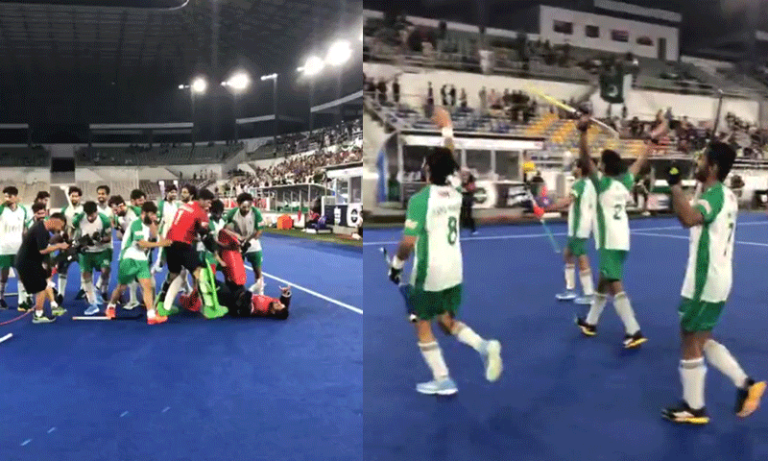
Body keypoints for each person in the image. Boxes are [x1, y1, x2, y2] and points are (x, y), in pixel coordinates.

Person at [388, 107, 502, 396]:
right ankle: (483, 346)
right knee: (447, 320)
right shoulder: (456, 191)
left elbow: (407, 243)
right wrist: (447, 127)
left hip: (430, 274)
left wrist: (396, 266)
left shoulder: (420, 200)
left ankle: (443, 379)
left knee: (422, 324)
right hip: (454, 271)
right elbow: (448, 159)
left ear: (427, 170)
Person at [662, 143, 766, 424]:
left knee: (689, 336)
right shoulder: (725, 194)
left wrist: (675, 186)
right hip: (718, 277)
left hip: (704, 278)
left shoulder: (715, 196)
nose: (698, 162)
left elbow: (688, 218)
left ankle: (694, 407)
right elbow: (694, 207)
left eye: (702, 159)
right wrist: (688, 184)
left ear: (714, 167)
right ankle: (746, 384)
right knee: (701, 338)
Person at [574, 114, 652, 349]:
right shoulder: (624, 183)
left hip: (608, 240)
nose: (597, 164)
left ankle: (633, 329)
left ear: (605, 167)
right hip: (622, 240)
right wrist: (649, 144)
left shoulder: (603, 184)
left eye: (600, 162)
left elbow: (584, 159)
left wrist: (583, 132)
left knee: (614, 283)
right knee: (603, 281)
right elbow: (639, 163)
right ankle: (591, 322)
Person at [155, 186, 224, 318]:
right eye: (209, 202)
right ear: (201, 199)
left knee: (173, 275)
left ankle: (161, 304)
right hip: (182, 245)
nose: (210, 205)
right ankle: (209, 308)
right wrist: (215, 251)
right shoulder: (201, 213)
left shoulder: (184, 206)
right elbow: (205, 235)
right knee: (200, 273)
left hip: (169, 243)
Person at [105, 202, 171, 324]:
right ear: (144, 213)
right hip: (128, 258)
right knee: (121, 287)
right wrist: (160, 244)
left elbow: (155, 236)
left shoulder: (148, 224)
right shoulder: (136, 224)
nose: (154, 217)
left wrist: (158, 230)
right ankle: (111, 307)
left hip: (141, 258)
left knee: (147, 286)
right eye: (152, 215)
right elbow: (141, 244)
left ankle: (151, 316)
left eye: (155, 215)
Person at [545, 159, 596, 304]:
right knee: (568, 254)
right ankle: (570, 289)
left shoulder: (579, 184)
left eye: (575, 167)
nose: (573, 169)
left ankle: (589, 293)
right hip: (581, 224)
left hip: (579, 225)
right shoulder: (590, 184)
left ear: (580, 169)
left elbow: (568, 200)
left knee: (581, 256)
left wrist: (546, 208)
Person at [15, 213, 69, 323]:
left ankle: (50, 306)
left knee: (43, 283)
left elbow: (46, 243)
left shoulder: (41, 228)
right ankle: (38, 314)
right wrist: (59, 246)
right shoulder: (40, 230)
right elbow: (43, 250)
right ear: (56, 221)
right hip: (27, 262)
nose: (59, 229)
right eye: (60, 226)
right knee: (41, 287)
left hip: (31, 261)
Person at [72, 201, 113, 314]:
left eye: (92, 215)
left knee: (106, 271)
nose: (90, 218)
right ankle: (92, 303)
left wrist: (99, 239)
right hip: (86, 251)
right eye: (88, 215)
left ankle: (98, 290)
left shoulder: (104, 220)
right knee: (85, 274)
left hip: (102, 250)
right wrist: (76, 242)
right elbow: (73, 231)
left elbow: (109, 238)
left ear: (96, 212)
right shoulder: (79, 219)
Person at [224, 192, 266, 294]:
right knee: (238, 271)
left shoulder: (256, 212)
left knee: (257, 270)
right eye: (244, 207)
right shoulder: (232, 213)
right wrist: (234, 236)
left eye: (249, 206)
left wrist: (248, 241)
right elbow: (224, 227)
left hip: (252, 243)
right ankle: (239, 292)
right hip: (238, 244)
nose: (247, 209)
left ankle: (260, 293)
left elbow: (259, 231)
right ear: (238, 204)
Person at [0, 186, 29, 309]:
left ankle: (22, 301)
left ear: (16, 197)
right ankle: (1, 297)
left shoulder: (23, 210)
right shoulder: (1, 209)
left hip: (18, 248)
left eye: (10, 196)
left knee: (21, 274)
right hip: (4, 248)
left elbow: (25, 228)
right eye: (5, 196)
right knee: (4, 275)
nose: (7, 199)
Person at [58, 186, 83, 304]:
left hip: (80, 243)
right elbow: (61, 225)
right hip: (67, 243)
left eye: (76, 196)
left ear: (80, 197)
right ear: (69, 197)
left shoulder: (83, 210)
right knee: (62, 268)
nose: (74, 198)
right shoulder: (65, 210)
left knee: (84, 267)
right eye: (72, 196)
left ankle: (84, 290)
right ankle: (60, 294)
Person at [460, 169, 477, 235]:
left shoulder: (471, 180)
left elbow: (472, 189)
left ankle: (473, 229)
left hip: (468, 197)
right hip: (463, 197)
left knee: (469, 214)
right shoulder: (460, 181)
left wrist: (466, 185)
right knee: (462, 214)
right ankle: (461, 227)